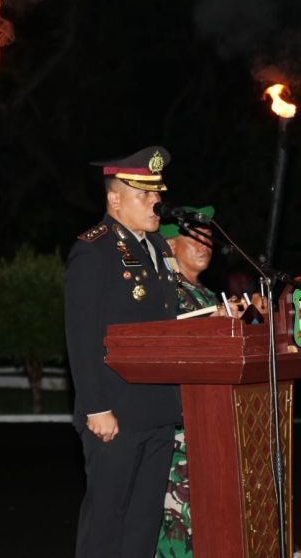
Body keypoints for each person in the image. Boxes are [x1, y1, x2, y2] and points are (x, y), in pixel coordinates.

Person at [65, 146, 183, 558]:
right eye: (144, 195)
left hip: (157, 408)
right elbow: (81, 335)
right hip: (113, 412)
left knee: (143, 524)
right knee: (106, 524)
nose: (156, 202)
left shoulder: (159, 250)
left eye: (157, 194)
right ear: (114, 198)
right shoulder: (93, 250)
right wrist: (95, 407)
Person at [155, 206, 267, 557]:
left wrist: (255, 318)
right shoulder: (163, 293)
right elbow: (170, 342)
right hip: (181, 432)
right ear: (171, 246)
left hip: (214, 426)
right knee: (180, 528)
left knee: (211, 527)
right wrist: (215, 323)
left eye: (208, 239)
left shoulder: (206, 294)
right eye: (195, 238)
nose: (205, 245)